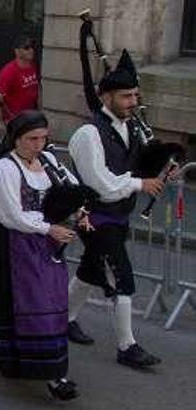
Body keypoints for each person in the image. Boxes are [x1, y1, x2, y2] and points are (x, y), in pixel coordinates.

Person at [66, 50, 164, 368]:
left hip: (119, 216)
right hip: (95, 217)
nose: (132, 101)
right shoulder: (88, 134)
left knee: (90, 270)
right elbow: (101, 184)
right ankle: (127, 346)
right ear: (105, 96)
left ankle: (63, 320)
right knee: (122, 277)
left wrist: (161, 170)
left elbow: (139, 165)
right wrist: (139, 184)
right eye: (125, 96)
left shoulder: (132, 128)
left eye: (135, 95)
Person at [0, 110, 80, 400]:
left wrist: (81, 212)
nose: (39, 145)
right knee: (12, 302)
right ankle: (44, 371)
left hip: (45, 244)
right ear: (16, 139)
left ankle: (50, 367)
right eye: (32, 139)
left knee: (48, 301)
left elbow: (72, 189)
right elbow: (12, 215)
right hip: (13, 243)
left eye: (43, 138)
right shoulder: (5, 169)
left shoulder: (49, 162)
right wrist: (49, 228)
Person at [0, 35, 40, 123]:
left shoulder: (34, 66)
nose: (31, 50)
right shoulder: (8, 72)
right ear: (17, 51)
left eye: (32, 47)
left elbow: (38, 90)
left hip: (29, 118)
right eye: (26, 48)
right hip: (13, 120)